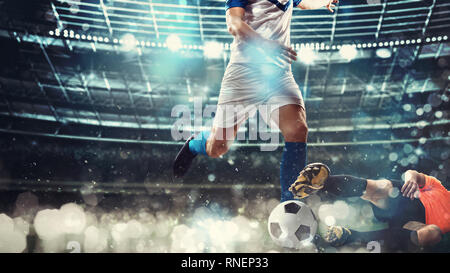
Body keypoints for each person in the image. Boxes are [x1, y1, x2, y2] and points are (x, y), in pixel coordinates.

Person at [173, 0, 340, 202]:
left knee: (297, 129)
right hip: (244, 73)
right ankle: (194, 144)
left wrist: (325, 2)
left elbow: (303, 3)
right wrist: (266, 45)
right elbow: (234, 24)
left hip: (278, 74)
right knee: (218, 148)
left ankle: (290, 201)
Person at [289, 163, 450, 250]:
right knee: (382, 188)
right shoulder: (440, 189)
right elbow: (412, 173)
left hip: (413, 224)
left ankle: (352, 235)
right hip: (409, 196)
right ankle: (322, 182)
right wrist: (411, 179)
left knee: (432, 234)